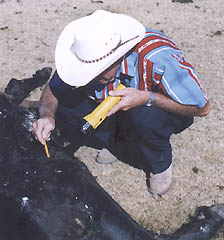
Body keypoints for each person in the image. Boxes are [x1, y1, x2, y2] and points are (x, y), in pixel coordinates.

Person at [32, 10, 210, 196]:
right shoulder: (83, 54)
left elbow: (202, 108)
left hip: (156, 108)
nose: (88, 77)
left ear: (117, 56)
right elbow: (53, 89)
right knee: (64, 110)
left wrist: (148, 98)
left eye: (96, 72)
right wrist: (47, 115)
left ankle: (159, 163)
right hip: (109, 104)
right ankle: (119, 144)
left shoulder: (156, 57)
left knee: (145, 116)